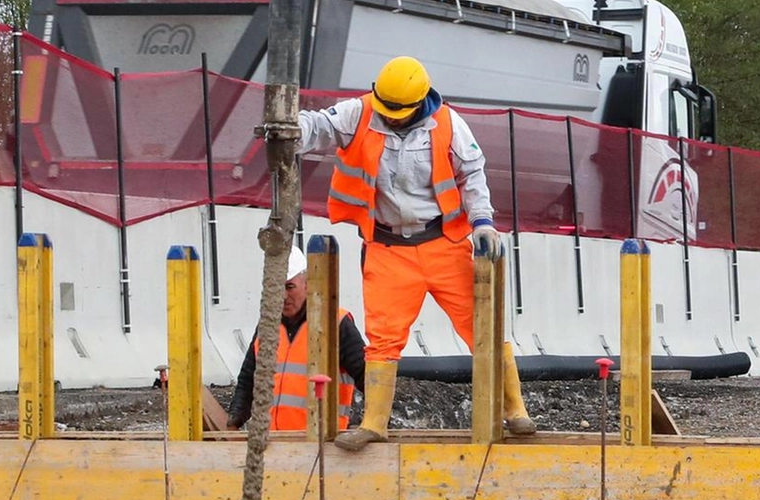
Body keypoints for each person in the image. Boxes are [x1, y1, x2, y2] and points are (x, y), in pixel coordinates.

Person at [297, 55, 538, 451]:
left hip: (443, 243)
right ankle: (374, 423)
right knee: (383, 339)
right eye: (385, 109)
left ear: (419, 102)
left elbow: (471, 173)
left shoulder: (447, 123)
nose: (389, 117)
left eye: (397, 112)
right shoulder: (359, 113)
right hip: (388, 248)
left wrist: (483, 221)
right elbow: (319, 125)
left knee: (484, 326)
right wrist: (291, 127)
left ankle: (515, 410)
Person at [227, 245, 367, 431]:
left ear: (307, 284)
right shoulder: (267, 326)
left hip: (321, 446)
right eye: (277, 287)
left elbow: (366, 376)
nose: (283, 295)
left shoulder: (335, 323)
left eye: (289, 287)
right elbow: (249, 380)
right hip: (273, 443)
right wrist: (233, 423)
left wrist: (374, 424)